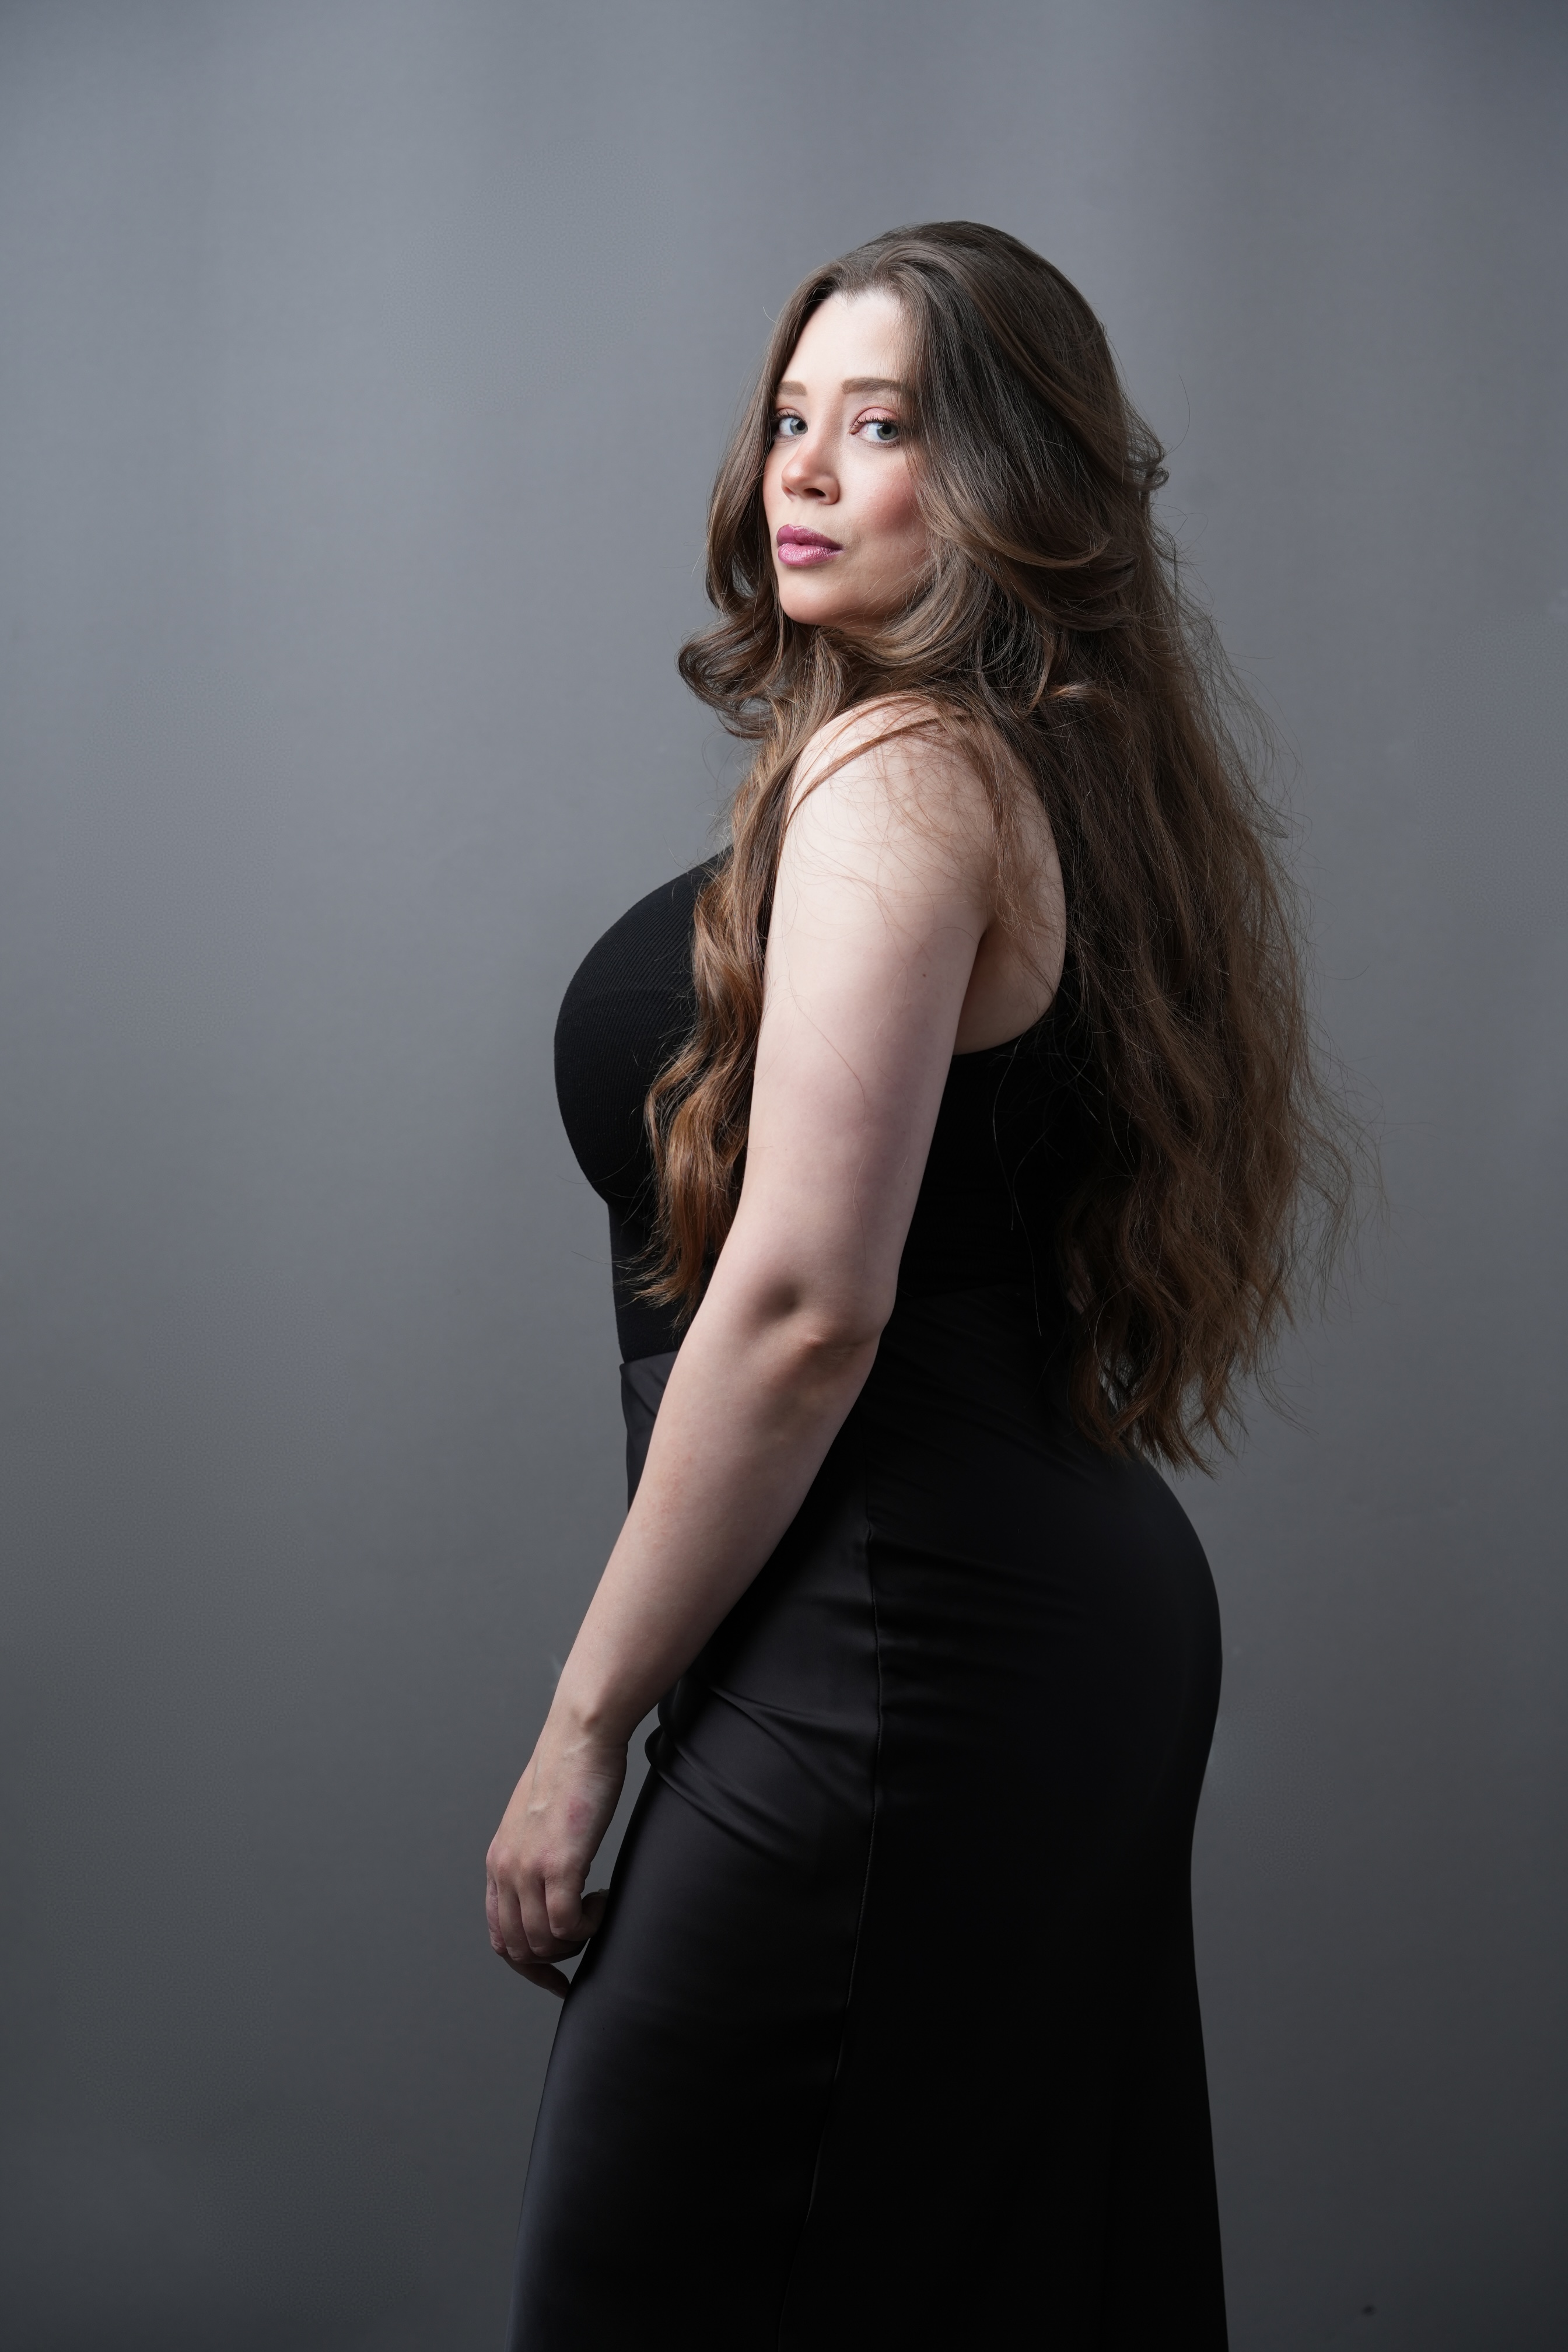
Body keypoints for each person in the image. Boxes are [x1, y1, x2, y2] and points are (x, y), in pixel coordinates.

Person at [487, 221, 1353, 2349]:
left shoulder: (909, 775)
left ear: (1006, 479)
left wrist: (584, 1727)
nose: (803, 466)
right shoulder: (1028, 761)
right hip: (988, 1630)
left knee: (662, 2282)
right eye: (793, 416)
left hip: (904, 1656)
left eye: (880, 426)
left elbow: (804, 1303)